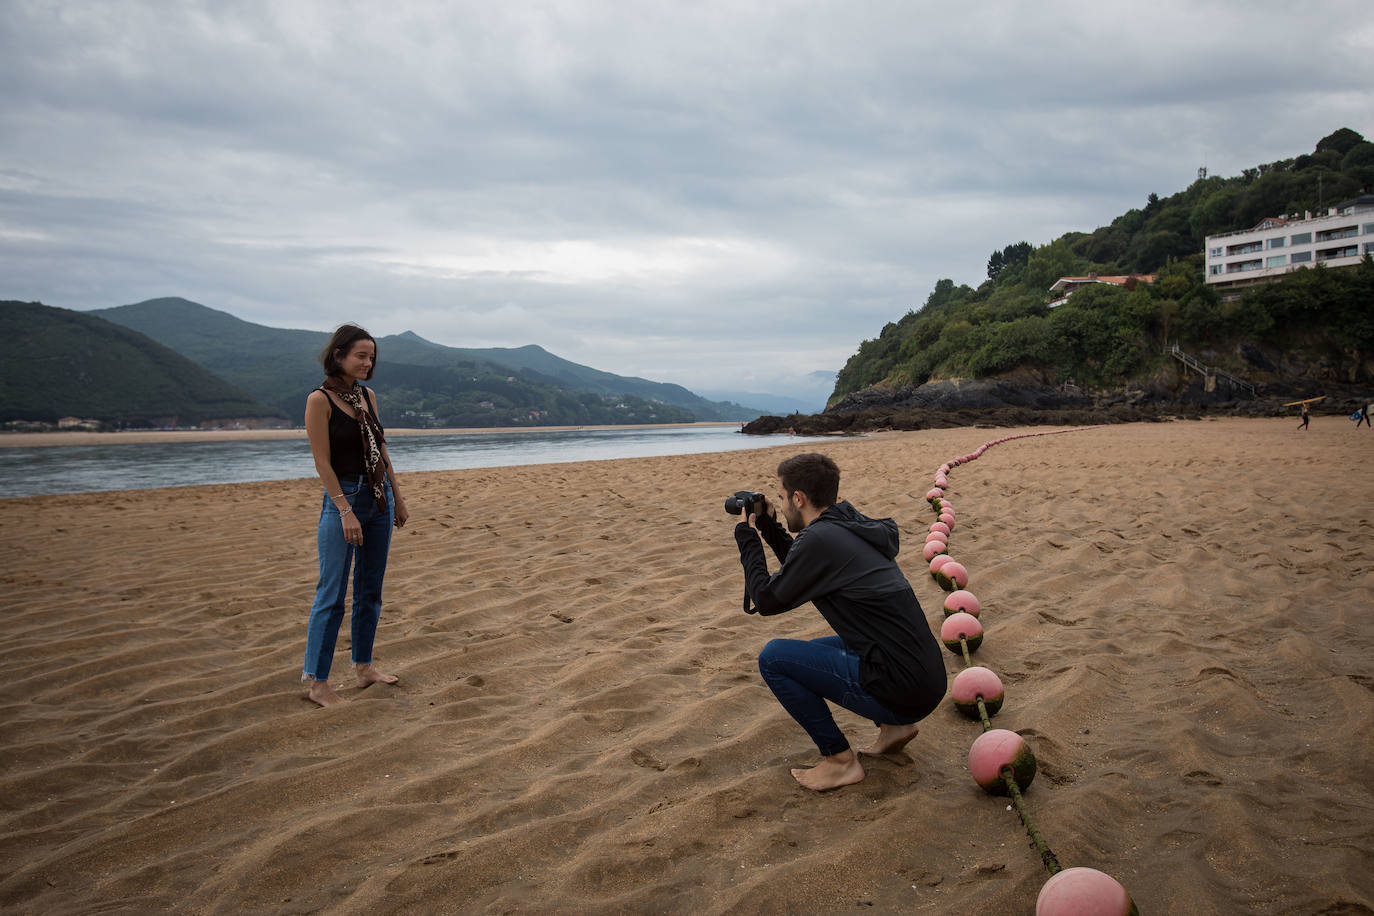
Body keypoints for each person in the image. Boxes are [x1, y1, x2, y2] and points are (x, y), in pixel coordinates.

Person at [733, 452, 946, 790]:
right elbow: (801, 568)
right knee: (813, 652)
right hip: (924, 676)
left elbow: (768, 599)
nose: (783, 502)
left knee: (774, 658)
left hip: (904, 689)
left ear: (798, 498)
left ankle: (840, 761)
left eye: (783, 496)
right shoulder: (846, 526)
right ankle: (894, 728)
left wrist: (746, 539)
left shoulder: (820, 540)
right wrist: (770, 527)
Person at [301, 324, 410, 707]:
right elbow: (322, 461)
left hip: (379, 499)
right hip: (343, 498)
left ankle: (364, 668)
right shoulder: (320, 400)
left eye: (372, 356)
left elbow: (380, 449)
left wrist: (397, 495)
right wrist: (344, 509)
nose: (368, 362)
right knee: (331, 595)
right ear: (338, 356)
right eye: (361, 356)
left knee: (370, 590)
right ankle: (317, 683)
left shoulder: (367, 397)